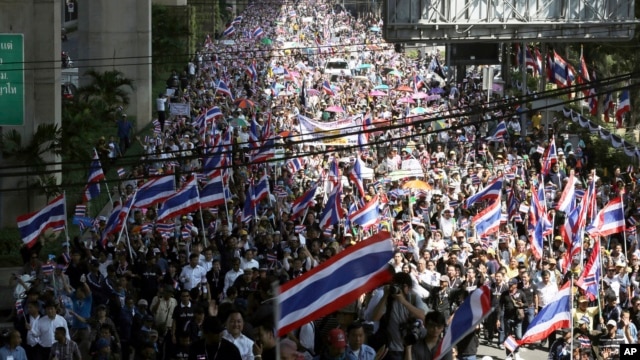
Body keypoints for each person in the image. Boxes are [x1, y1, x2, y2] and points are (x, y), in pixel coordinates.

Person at [372, 272, 428, 359]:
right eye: (397, 285)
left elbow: (422, 316)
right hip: (392, 348)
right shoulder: (388, 299)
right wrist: (385, 295)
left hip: (411, 347)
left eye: (403, 286)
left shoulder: (413, 298)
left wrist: (403, 301)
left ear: (409, 288)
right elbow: (375, 317)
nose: (400, 288)